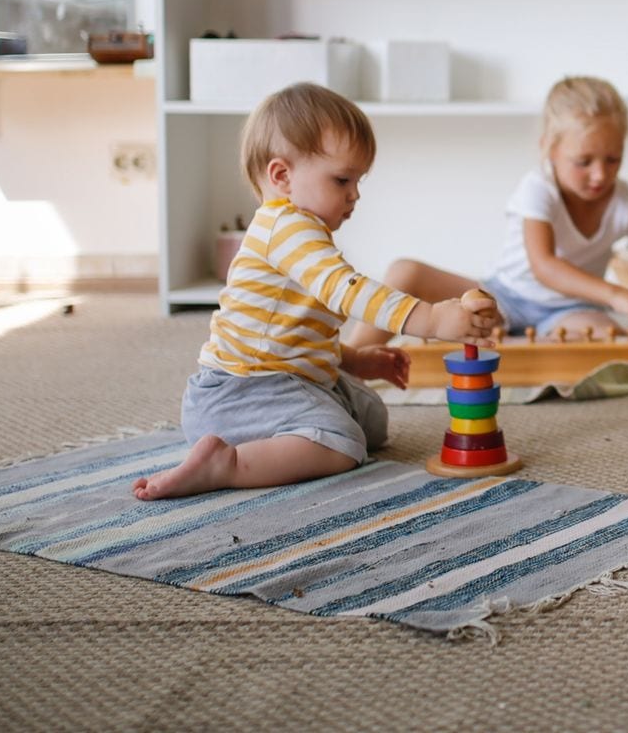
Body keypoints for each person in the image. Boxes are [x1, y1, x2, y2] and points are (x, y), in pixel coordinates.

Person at [134, 83, 501, 500]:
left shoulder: (301, 233)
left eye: (358, 180)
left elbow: (291, 334)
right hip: (240, 394)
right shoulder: (287, 228)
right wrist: (432, 320)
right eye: (343, 179)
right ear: (282, 176)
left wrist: (358, 360)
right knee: (345, 443)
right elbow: (350, 292)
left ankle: (287, 435)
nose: (355, 194)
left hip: (286, 378)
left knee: (372, 418)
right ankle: (227, 465)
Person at [347, 75, 628, 350]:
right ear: (549, 150)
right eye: (583, 162)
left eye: (612, 159)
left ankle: (526, 351)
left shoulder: (624, 199)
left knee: (612, 339)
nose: (600, 174)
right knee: (404, 271)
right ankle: (354, 355)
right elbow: (544, 266)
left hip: (568, 312)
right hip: (503, 299)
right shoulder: (537, 188)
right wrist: (617, 295)